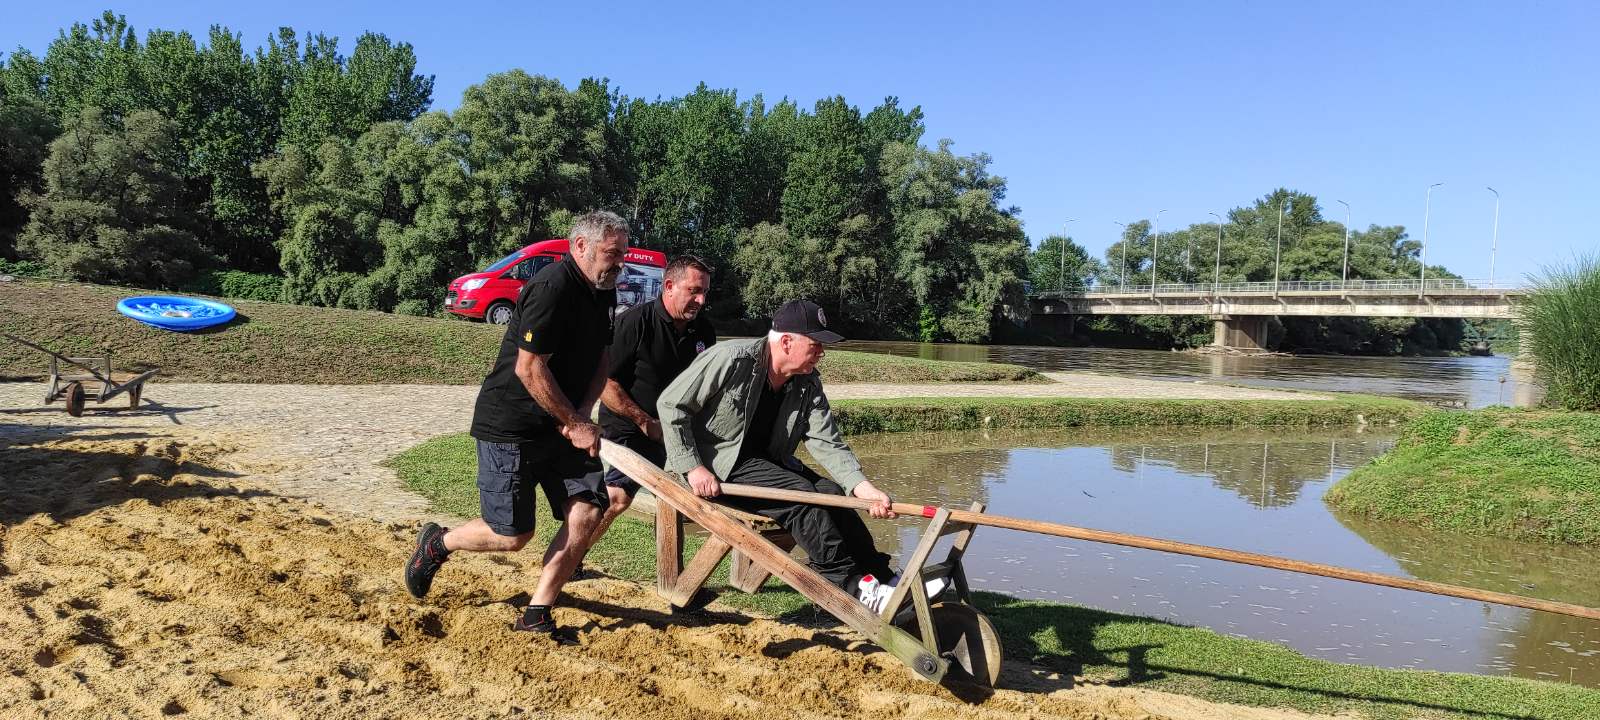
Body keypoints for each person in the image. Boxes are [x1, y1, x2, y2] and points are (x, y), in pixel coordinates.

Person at [403, 210, 628, 644]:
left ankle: (537, 612)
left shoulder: (604, 290)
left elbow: (602, 357)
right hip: (512, 424)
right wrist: (573, 420)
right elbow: (530, 368)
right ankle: (438, 544)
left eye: (622, 254)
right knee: (512, 535)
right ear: (581, 246)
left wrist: (581, 415)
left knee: (587, 511)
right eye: (612, 253)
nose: (619, 262)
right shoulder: (551, 287)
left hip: (564, 424)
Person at [655, 299, 943, 611]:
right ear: (787, 342)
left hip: (765, 464)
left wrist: (863, 488)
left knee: (832, 493)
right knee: (803, 498)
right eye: (816, 345)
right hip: (717, 466)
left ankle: (883, 579)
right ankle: (849, 586)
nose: (822, 353)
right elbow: (671, 405)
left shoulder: (807, 381)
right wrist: (693, 467)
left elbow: (826, 441)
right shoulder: (730, 358)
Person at [569, 255, 716, 577]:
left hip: (675, 430)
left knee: (678, 501)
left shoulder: (704, 331)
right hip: (628, 425)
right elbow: (605, 382)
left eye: (704, 292)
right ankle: (569, 559)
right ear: (669, 286)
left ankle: (676, 580)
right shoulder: (634, 322)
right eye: (694, 291)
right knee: (618, 497)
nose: (701, 300)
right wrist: (644, 422)